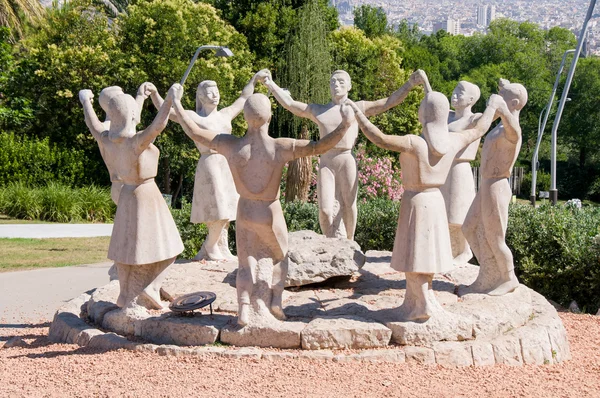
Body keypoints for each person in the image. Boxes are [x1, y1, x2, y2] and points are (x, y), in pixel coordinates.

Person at [170, 83, 353, 326]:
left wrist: (178, 105)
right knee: (279, 256)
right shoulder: (280, 146)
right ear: (269, 117)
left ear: (244, 117)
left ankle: (244, 307)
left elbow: (194, 131)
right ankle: (275, 300)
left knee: (246, 262)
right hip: (269, 211)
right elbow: (319, 147)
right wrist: (345, 125)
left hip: (245, 210)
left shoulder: (230, 144)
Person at [347, 76, 504, 321]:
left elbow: (379, 138)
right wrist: (493, 106)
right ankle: (424, 298)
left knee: (416, 253)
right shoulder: (453, 140)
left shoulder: (415, 143)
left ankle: (417, 305)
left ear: (423, 115)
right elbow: (480, 129)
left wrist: (358, 113)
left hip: (416, 202)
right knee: (428, 252)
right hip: (436, 202)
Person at [261, 69, 429, 240]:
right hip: (326, 161)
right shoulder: (319, 110)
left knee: (349, 205)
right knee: (325, 210)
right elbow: (290, 104)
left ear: (349, 86)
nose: (336, 85)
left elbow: (387, 102)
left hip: (346, 159)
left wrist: (409, 84)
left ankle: (350, 242)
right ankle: (329, 241)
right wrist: (271, 84)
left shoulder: (357, 107)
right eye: (333, 81)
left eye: (341, 82)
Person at [79, 86, 184, 310]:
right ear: (133, 115)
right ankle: (151, 288)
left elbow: (92, 123)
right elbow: (158, 126)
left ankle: (126, 294)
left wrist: (85, 101)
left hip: (126, 194)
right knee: (171, 247)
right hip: (146, 195)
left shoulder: (107, 139)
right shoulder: (135, 141)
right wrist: (169, 101)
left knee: (126, 250)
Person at [147, 73, 262, 261]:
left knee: (229, 209)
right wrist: (160, 95)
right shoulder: (194, 116)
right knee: (219, 208)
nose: (215, 95)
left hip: (227, 163)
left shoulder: (225, 114)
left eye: (216, 91)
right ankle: (210, 246)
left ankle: (220, 248)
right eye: (210, 92)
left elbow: (243, 98)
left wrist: (253, 80)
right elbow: (168, 110)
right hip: (210, 163)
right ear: (201, 97)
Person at [461, 79, 528, 296]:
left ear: (514, 103)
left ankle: (509, 277)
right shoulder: (500, 125)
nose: (498, 100)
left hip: (497, 186)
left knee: (496, 238)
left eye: (504, 98)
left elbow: (514, 132)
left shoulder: (512, 128)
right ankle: (490, 270)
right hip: (486, 185)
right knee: (468, 228)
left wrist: (501, 107)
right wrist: (503, 91)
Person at [80, 84, 153, 205]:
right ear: (112, 104)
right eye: (121, 97)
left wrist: (140, 96)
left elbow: (134, 114)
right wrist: (86, 102)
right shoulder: (108, 130)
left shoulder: (126, 125)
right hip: (122, 185)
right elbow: (92, 124)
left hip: (133, 184)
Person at [440, 81, 483, 265]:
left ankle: (465, 252)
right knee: (443, 213)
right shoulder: (447, 116)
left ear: (472, 99)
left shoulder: (474, 119)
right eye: (454, 90)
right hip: (443, 167)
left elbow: (490, 116)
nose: (454, 94)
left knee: (459, 213)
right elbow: (431, 104)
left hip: (460, 168)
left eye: (460, 92)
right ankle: (448, 250)